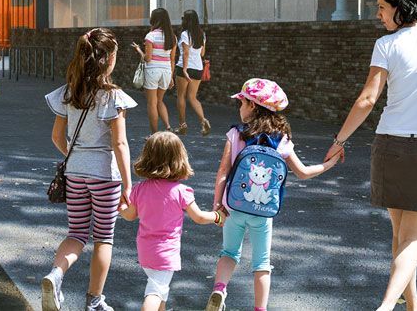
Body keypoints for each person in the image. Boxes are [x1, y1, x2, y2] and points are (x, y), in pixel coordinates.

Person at [204, 78, 338, 311]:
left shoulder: (236, 133)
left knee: (229, 253)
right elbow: (304, 173)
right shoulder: (282, 140)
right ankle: (260, 309)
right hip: (263, 212)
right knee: (262, 264)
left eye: (242, 103)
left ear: (253, 106)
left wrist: (218, 204)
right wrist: (331, 162)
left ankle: (219, 290)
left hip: (233, 207)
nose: (240, 107)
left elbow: (223, 172)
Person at [328, 0, 417, 311]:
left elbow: (367, 100)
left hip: (391, 146)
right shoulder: (387, 41)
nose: (378, 14)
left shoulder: (386, 45)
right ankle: (397, 306)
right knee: (409, 237)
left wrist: (340, 140)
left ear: (402, 7)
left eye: (382, 6)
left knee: (402, 235)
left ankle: (398, 306)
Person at [42, 28, 135, 311]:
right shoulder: (112, 97)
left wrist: (75, 155)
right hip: (105, 176)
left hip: (75, 173)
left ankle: (55, 276)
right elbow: (119, 143)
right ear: (108, 59)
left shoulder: (70, 92)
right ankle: (94, 300)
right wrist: (128, 184)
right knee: (103, 238)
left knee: (77, 234)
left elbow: (57, 138)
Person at [119, 131, 221, 311]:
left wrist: (120, 208)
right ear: (178, 159)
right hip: (166, 252)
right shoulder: (181, 191)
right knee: (155, 292)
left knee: (160, 289)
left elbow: (129, 215)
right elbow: (198, 217)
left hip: (145, 250)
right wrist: (218, 216)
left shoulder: (140, 189)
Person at [132, 8, 175, 134]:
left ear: (154, 19)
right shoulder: (172, 37)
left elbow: (148, 58)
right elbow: (172, 59)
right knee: (160, 100)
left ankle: (154, 134)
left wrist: (139, 50)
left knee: (152, 103)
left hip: (153, 71)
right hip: (166, 72)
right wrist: (171, 77)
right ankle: (168, 126)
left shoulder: (150, 36)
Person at [174, 10, 209, 135]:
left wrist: (184, 69)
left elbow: (186, 53)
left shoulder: (185, 34)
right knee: (193, 98)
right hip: (198, 68)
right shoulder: (201, 34)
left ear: (186, 20)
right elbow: (202, 53)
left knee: (181, 96)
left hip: (185, 68)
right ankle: (203, 121)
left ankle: (182, 125)